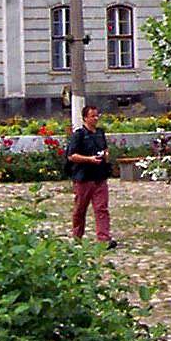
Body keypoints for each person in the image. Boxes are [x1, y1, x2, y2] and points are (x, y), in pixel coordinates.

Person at [64, 106, 115, 247]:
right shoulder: (79, 135)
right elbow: (71, 156)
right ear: (85, 118)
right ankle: (77, 237)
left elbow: (105, 148)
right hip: (83, 177)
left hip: (99, 176)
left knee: (101, 208)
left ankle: (104, 239)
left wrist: (105, 155)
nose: (96, 118)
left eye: (97, 115)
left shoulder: (100, 133)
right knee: (80, 209)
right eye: (92, 116)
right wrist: (89, 159)